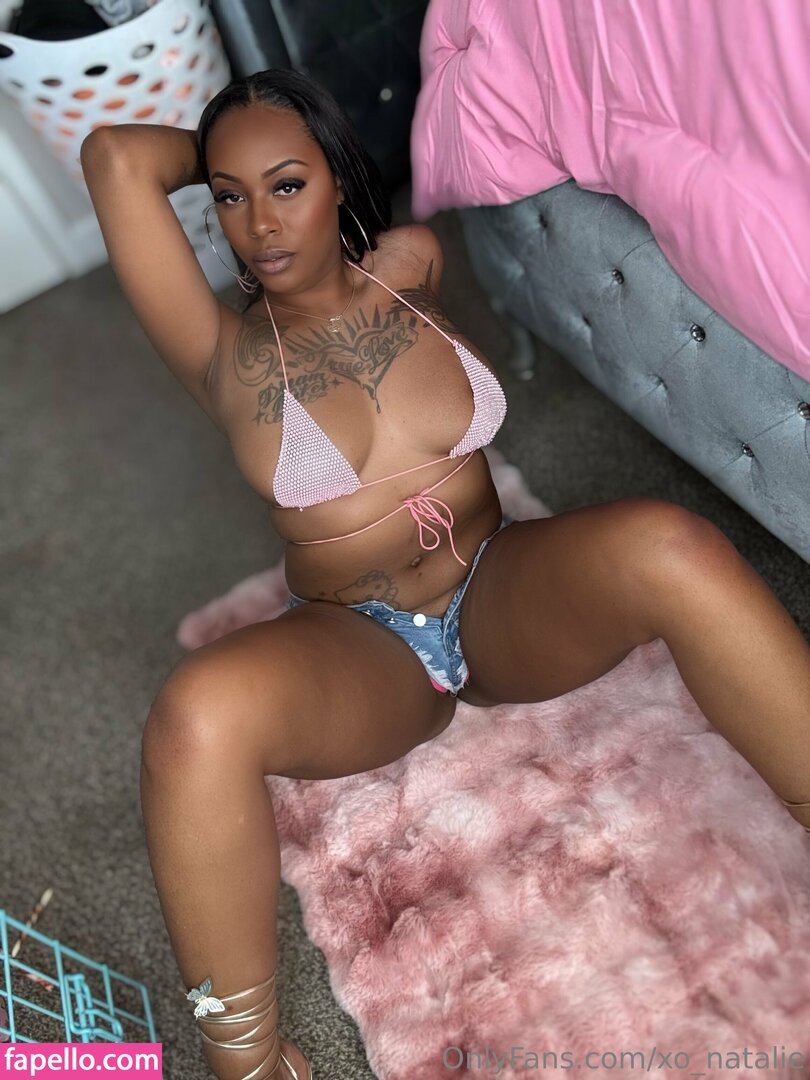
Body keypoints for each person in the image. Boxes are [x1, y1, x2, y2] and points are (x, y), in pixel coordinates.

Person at [80, 68, 810, 1080]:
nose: (258, 224)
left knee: (669, 545)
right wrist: (234, 139)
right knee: (194, 719)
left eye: (287, 185)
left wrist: (264, 139)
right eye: (231, 197)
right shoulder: (223, 354)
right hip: (365, 649)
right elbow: (115, 158)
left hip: (501, 591)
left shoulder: (409, 265)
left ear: (339, 178)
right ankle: (244, 1059)